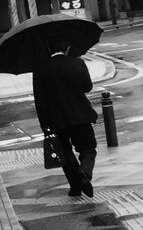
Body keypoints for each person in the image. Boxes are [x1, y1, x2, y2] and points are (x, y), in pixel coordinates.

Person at [33, 33, 99, 198]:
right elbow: (87, 87)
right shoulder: (78, 63)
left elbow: (40, 101)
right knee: (88, 149)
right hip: (81, 115)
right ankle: (84, 172)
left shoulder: (41, 70)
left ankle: (76, 187)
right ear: (67, 47)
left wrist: (45, 126)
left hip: (56, 120)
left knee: (65, 154)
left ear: (49, 49)